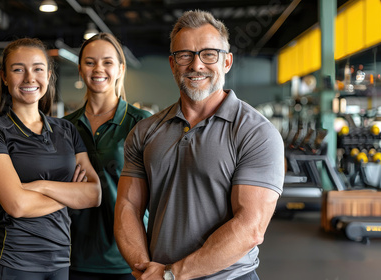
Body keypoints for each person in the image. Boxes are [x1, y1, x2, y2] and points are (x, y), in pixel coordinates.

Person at [114, 10, 285, 280]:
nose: (196, 65)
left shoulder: (256, 132)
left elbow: (250, 226)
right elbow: (127, 207)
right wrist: (144, 268)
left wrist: (171, 274)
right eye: (185, 55)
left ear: (227, 61)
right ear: (172, 64)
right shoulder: (145, 131)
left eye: (209, 54)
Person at [0, 38, 101, 280]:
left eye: (38, 69)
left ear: (49, 75)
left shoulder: (67, 130)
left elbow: (94, 194)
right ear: (4, 76)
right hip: (13, 261)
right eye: (18, 69)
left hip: (60, 261)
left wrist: (40, 187)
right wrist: (73, 195)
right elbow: (17, 205)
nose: (30, 78)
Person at [63, 32, 152, 280]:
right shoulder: (63, 127)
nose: (98, 68)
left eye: (107, 62)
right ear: (80, 69)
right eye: (90, 62)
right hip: (73, 257)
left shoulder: (142, 123)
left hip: (126, 261)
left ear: (121, 69)